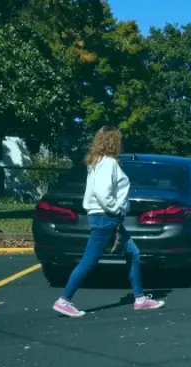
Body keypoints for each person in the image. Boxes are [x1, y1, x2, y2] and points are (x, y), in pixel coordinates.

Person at [52, 126, 164, 318]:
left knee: (133, 252)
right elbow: (103, 193)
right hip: (106, 217)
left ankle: (140, 299)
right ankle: (64, 300)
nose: (121, 143)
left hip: (103, 217)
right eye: (118, 140)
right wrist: (116, 210)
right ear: (113, 141)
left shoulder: (96, 162)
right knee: (89, 261)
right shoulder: (109, 163)